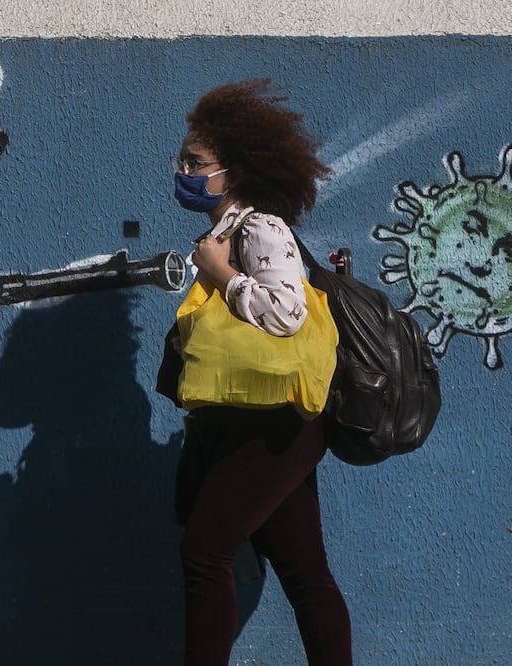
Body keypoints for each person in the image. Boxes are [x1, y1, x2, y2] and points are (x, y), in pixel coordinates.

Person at [165, 79, 352, 665]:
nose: (184, 171)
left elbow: (286, 313)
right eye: (183, 159)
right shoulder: (221, 235)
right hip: (252, 423)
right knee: (305, 572)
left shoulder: (259, 229)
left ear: (234, 170)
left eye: (197, 163)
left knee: (205, 553)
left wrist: (222, 275)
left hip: (277, 425)